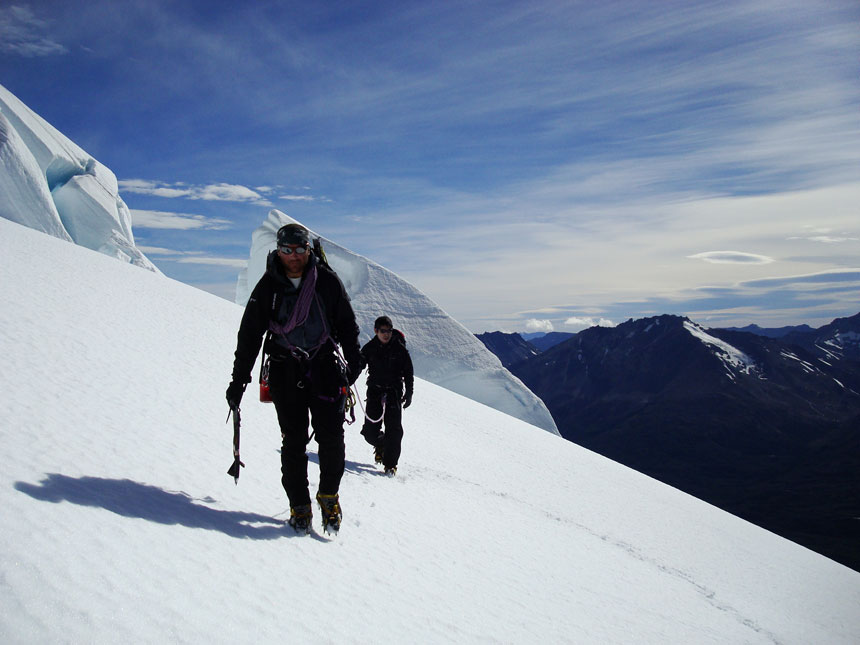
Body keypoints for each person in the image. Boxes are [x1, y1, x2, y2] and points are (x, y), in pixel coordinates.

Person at [226, 223, 362, 535]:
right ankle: (299, 504)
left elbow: (346, 323)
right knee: (294, 441)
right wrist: (238, 380)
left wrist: (353, 363)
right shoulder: (268, 286)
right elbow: (249, 336)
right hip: (285, 370)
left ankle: (329, 496)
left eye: (300, 249)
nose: (294, 256)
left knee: (331, 438)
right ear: (278, 250)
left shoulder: (325, 281)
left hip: (324, 366)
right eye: (287, 250)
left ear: (308, 250)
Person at [360, 315, 414, 476]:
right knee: (370, 433)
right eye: (383, 331)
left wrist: (409, 393)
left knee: (395, 431)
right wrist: (346, 381)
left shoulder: (399, 349)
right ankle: (382, 445)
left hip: (394, 394)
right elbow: (358, 365)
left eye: (389, 331)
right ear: (376, 331)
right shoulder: (369, 348)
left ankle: (390, 464)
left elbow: (409, 372)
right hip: (375, 393)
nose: (387, 334)